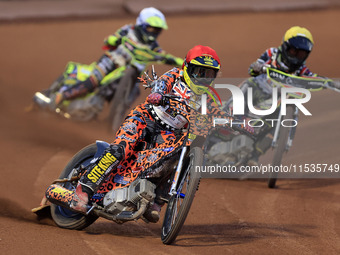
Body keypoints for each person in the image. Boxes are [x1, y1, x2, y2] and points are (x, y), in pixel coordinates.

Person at [67, 45, 246, 222]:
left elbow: (218, 113)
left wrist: (239, 123)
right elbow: (161, 84)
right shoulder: (175, 75)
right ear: (187, 68)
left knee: (177, 157)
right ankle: (84, 189)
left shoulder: (210, 97)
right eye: (199, 72)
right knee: (121, 149)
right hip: (144, 119)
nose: (203, 78)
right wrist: (158, 94)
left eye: (209, 74)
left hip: (169, 134)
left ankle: (157, 200)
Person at [226, 26, 340, 165]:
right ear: (285, 47)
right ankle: (230, 115)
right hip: (258, 91)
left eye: (301, 54)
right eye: (294, 51)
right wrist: (258, 67)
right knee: (248, 83)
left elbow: (315, 78)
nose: (297, 56)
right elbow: (254, 67)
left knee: (281, 121)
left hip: (275, 101)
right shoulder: (272, 53)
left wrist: (332, 84)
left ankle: (253, 153)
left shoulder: (301, 70)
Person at [49, 7, 183, 108]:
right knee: (95, 80)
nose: (153, 32)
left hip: (130, 73)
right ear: (141, 24)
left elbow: (164, 56)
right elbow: (111, 39)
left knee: (136, 90)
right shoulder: (128, 30)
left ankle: (112, 115)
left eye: (157, 29)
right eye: (150, 28)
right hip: (112, 61)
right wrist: (113, 40)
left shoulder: (153, 46)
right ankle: (61, 96)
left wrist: (182, 62)